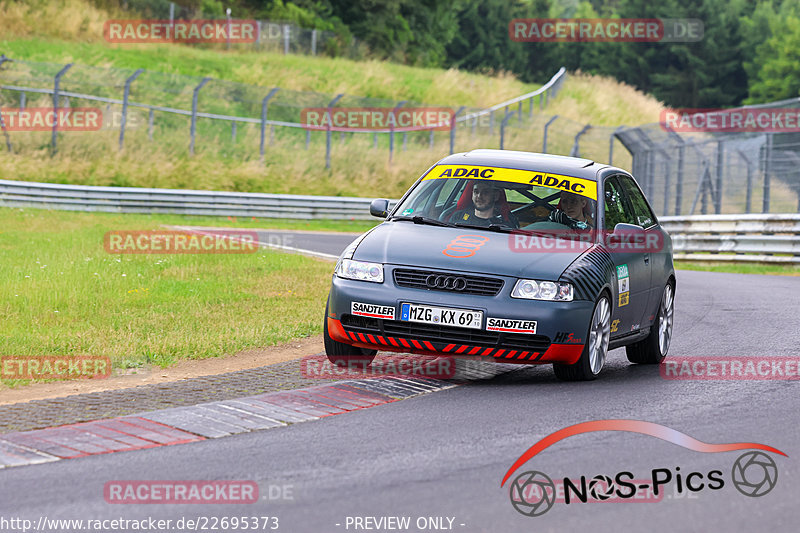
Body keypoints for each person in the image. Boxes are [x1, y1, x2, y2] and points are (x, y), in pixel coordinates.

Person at [451, 181, 519, 228]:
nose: (479, 196)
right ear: (472, 195)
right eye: (476, 192)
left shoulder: (503, 225)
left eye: (485, 192)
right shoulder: (458, 216)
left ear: (496, 196)